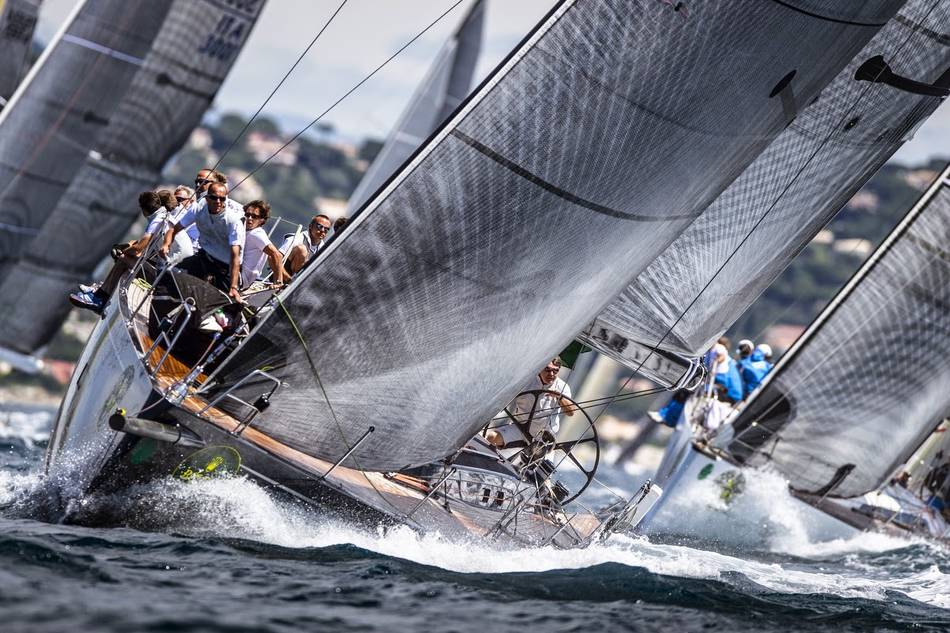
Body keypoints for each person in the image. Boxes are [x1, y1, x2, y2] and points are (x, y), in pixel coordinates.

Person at [69, 191, 169, 313]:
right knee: (127, 256)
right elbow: (141, 242)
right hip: (162, 271)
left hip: (161, 277)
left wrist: (125, 251)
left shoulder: (157, 221)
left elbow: (139, 247)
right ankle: (101, 290)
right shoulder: (163, 215)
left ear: (143, 209)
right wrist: (126, 246)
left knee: (123, 259)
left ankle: (99, 299)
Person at [160, 182, 245, 302]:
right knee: (169, 275)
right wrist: (166, 244)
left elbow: (235, 256)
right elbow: (174, 228)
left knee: (226, 303)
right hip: (204, 257)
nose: (218, 202)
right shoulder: (199, 208)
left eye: (222, 199)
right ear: (207, 198)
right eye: (214, 198)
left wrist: (233, 286)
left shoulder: (233, 221)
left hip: (225, 268)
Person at [487, 357, 576, 448]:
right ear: (540, 368)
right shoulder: (527, 380)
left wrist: (559, 397)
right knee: (492, 437)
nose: (551, 374)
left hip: (544, 437)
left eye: (555, 371)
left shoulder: (562, 387)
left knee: (541, 460)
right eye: (547, 369)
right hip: (519, 427)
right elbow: (505, 397)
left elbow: (571, 412)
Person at [240, 200, 286, 288]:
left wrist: (278, 282)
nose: (249, 218)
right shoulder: (246, 231)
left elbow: (277, 255)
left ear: (262, 220)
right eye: (247, 215)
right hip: (240, 275)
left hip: (241, 278)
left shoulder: (256, 234)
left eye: (254, 216)